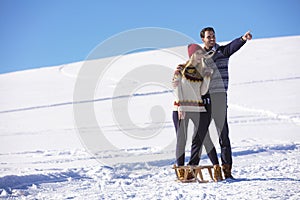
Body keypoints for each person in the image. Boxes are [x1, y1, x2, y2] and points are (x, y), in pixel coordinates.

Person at [200, 27, 252, 179]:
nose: (212, 38)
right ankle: (215, 166)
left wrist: (242, 39)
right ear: (203, 39)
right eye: (209, 36)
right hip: (205, 99)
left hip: (220, 98)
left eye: (213, 36)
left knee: (224, 135)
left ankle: (227, 170)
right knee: (204, 135)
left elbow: (232, 46)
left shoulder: (222, 52)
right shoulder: (199, 56)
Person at [172, 43, 223, 182]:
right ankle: (181, 170)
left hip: (197, 108)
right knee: (181, 139)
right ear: (192, 54)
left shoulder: (202, 71)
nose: (201, 56)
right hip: (181, 108)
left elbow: (202, 91)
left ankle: (216, 167)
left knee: (204, 137)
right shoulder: (181, 68)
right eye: (199, 53)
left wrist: (207, 77)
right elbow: (176, 87)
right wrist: (181, 106)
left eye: (202, 54)